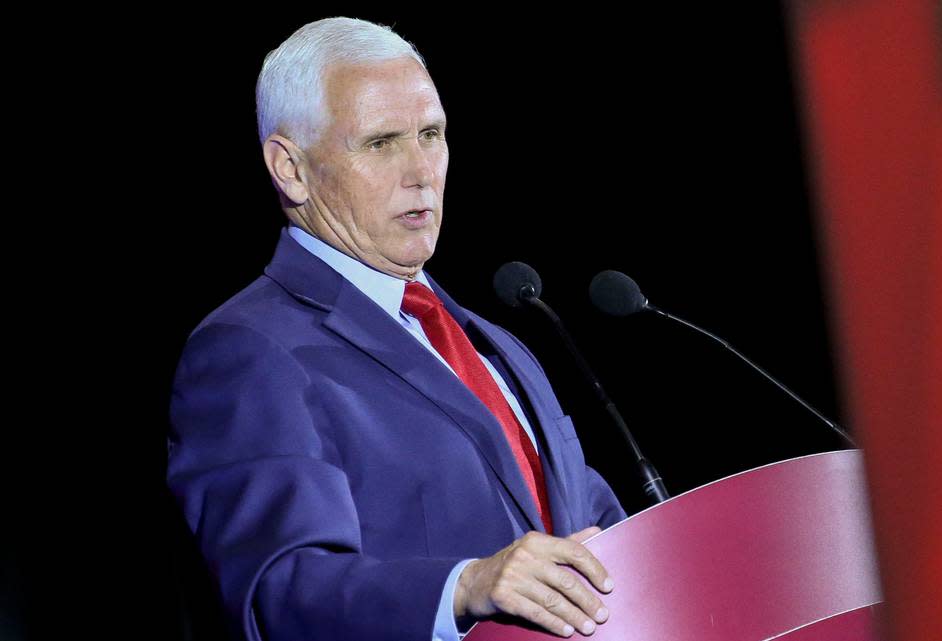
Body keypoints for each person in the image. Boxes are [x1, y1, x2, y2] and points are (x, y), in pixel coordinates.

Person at [167, 17, 625, 641]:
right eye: (380, 143)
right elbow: (279, 591)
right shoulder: (250, 350)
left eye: (430, 134)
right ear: (290, 168)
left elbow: (602, 540)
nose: (420, 172)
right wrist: (464, 587)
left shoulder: (497, 344)